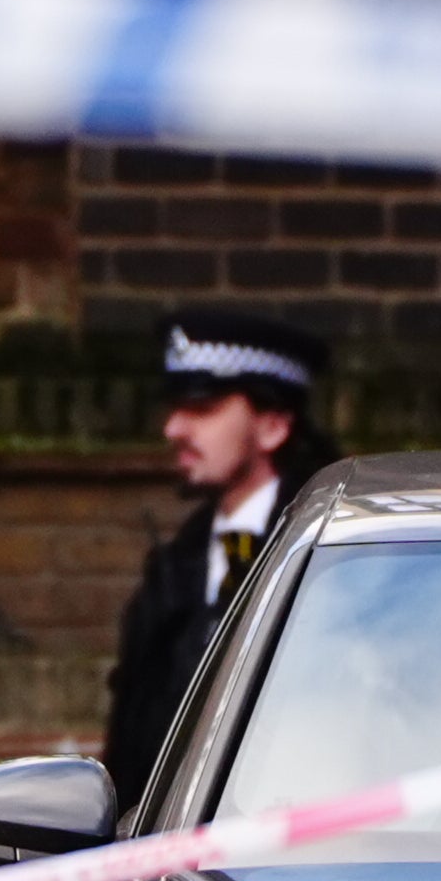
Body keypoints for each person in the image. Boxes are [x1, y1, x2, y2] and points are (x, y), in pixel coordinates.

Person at [99, 310, 340, 806]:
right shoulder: (175, 566)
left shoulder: (332, 560)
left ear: (272, 425)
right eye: (174, 408)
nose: (173, 429)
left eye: (202, 407)